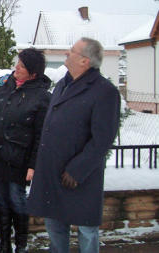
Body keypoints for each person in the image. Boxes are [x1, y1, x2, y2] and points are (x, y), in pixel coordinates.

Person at [27, 37, 121, 253]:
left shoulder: (104, 91)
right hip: (53, 172)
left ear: (85, 61)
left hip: (79, 177)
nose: (67, 53)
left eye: (72, 51)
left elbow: (102, 139)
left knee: (87, 232)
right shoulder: (62, 85)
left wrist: (77, 170)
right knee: (55, 226)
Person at [0, 48, 52, 253]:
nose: (16, 68)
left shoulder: (42, 97)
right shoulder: (2, 83)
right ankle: (4, 244)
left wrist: (33, 165)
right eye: (17, 63)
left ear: (33, 74)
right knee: (0, 200)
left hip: (18, 160)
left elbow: (41, 136)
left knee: (16, 200)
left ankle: (21, 244)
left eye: (21, 66)